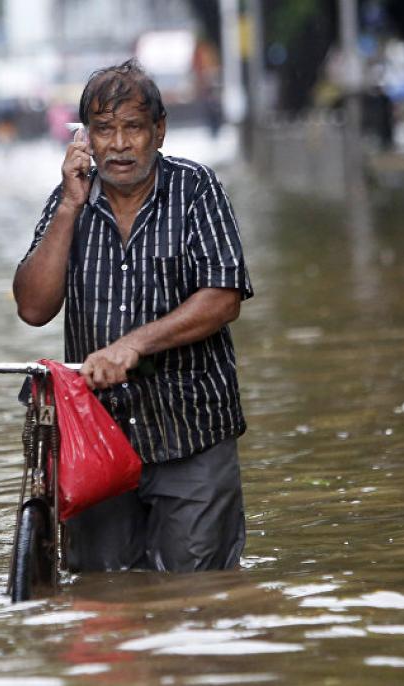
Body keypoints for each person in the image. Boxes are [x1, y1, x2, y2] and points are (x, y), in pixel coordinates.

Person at [13, 60, 253, 573]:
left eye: (133, 127)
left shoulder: (196, 190)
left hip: (192, 431)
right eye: (104, 129)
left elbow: (223, 298)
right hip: (97, 438)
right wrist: (69, 207)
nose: (119, 144)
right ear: (84, 139)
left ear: (158, 131)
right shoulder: (67, 202)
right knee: (104, 597)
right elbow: (33, 308)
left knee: (197, 599)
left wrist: (134, 344)